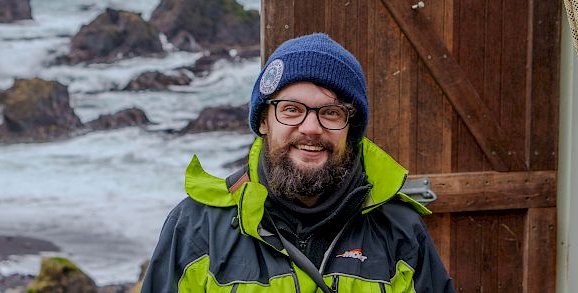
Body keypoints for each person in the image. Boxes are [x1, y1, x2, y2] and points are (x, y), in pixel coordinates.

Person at [141, 33, 455, 292]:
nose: (310, 128)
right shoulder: (197, 227)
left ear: (351, 130)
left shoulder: (400, 230)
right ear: (264, 120)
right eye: (291, 109)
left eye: (331, 113)